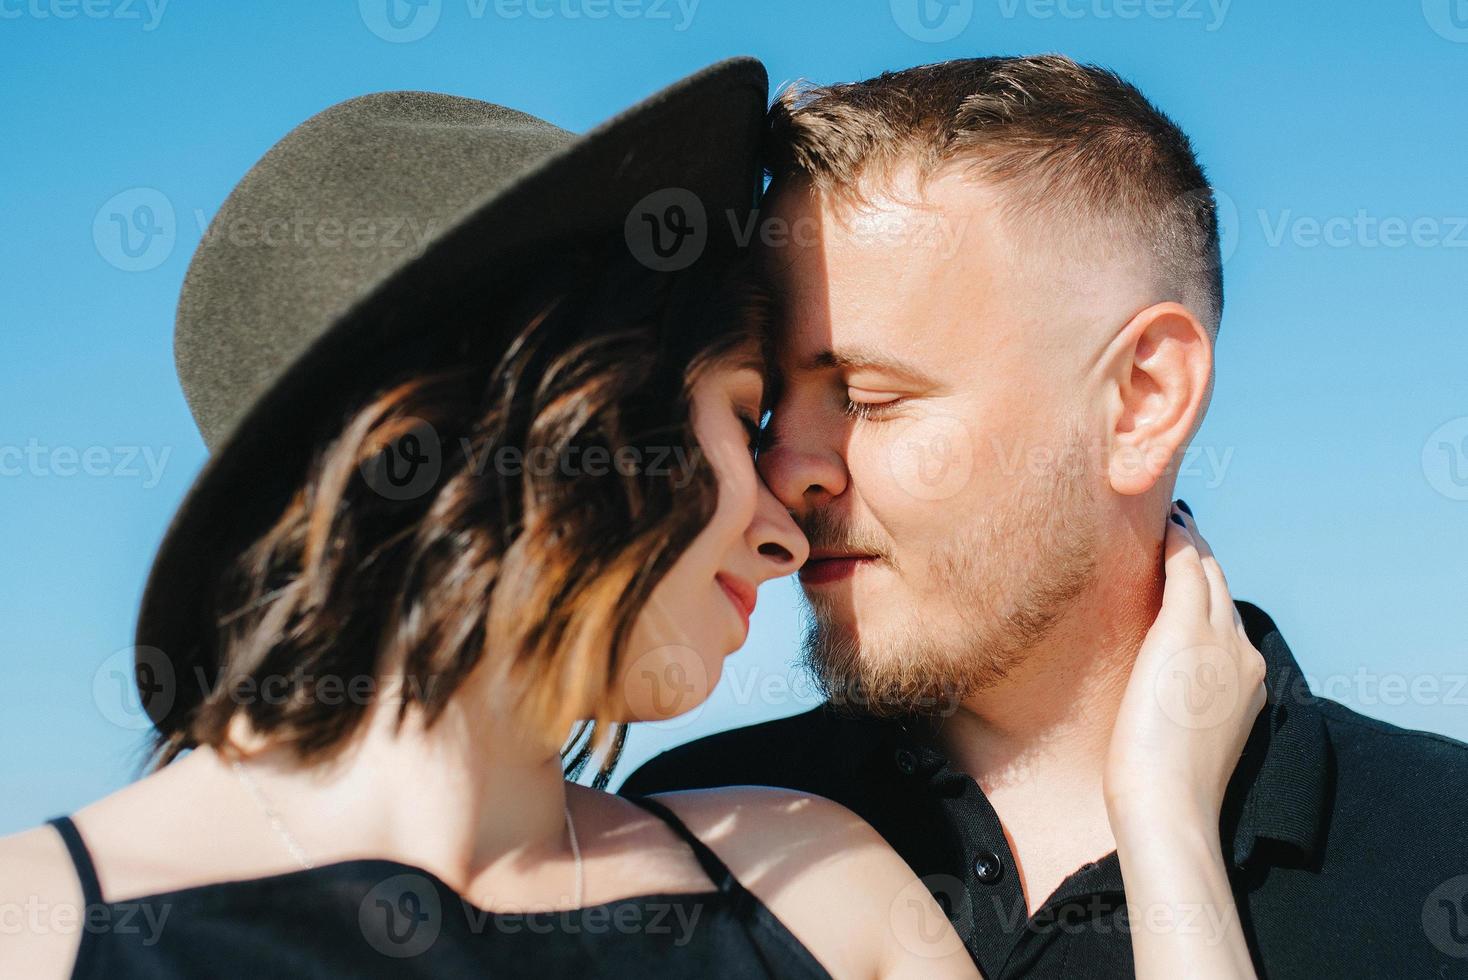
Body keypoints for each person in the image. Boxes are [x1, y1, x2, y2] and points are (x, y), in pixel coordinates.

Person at [2, 58, 1263, 979]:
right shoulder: (32, 926)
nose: (785, 525)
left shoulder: (811, 883)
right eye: (740, 409)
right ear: (554, 423)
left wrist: (1160, 825)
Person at [621, 55, 1468, 978]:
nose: (783, 472)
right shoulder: (700, 831)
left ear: (1142, 399)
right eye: (768, 405)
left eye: (866, 397)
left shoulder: (1440, 850)